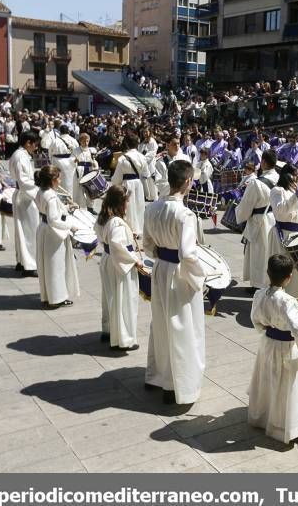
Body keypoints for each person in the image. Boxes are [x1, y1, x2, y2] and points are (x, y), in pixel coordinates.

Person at [143, 160, 207, 405]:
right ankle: (179, 384)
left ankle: (160, 376)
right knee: (182, 326)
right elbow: (188, 254)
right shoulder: (185, 214)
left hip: (160, 269)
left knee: (160, 322)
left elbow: (147, 244)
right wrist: (200, 278)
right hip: (180, 274)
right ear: (188, 181)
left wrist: (159, 255)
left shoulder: (153, 207)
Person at [248, 254, 298, 444]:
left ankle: (264, 418)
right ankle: (291, 429)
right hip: (286, 348)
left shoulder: (259, 294)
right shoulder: (288, 301)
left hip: (267, 344)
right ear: (290, 276)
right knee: (288, 387)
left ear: (268, 273)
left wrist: (265, 327)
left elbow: (255, 318)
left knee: (268, 380)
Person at [96, 184, 143, 351]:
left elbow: (105, 238)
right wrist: (134, 260)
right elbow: (117, 244)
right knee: (123, 300)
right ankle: (124, 338)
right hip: (119, 263)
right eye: (127, 201)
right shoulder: (116, 222)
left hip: (109, 259)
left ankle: (108, 330)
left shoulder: (103, 217)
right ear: (120, 203)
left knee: (110, 297)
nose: (129, 204)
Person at [268, 164, 298, 309]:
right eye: (294, 174)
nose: (297, 177)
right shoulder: (277, 190)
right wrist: (295, 197)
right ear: (286, 175)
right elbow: (280, 212)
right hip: (285, 234)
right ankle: (285, 300)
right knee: (285, 268)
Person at [35, 165, 80, 310]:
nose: (61, 180)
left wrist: (67, 208)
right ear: (53, 180)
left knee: (46, 265)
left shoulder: (41, 192)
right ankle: (56, 298)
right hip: (53, 234)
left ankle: (48, 295)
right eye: (59, 178)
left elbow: (49, 213)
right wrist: (70, 226)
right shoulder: (51, 196)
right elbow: (54, 219)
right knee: (56, 266)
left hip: (43, 229)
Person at [235, 150, 280, 291]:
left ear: (264, 162)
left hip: (259, 220)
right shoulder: (280, 178)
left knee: (259, 253)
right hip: (274, 219)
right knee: (271, 252)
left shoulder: (256, 183)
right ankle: (270, 281)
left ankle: (258, 285)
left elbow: (246, 205)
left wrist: (239, 214)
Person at [9, 130, 40, 278]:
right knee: (29, 232)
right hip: (25, 197)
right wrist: (39, 191)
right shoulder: (21, 157)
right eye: (35, 145)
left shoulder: (20, 154)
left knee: (22, 231)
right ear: (28, 143)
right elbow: (24, 181)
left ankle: (21, 260)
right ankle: (30, 264)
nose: (36, 148)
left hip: (23, 195)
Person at [111, 133, 149, 237]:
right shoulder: (142, 157)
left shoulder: (122, 158)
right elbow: (146, 174)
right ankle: (139, 229)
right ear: (137, 144)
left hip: (127, 183)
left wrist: (114, 183)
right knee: (139, 205)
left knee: (128, 207)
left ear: (127, 144)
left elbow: (117, 177)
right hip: (138, 183)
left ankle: (130, 229)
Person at [71, 132, 98, 212]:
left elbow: (94, 161)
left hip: (89, 170)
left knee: (90, 189)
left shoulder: (91, 150)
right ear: (80, 141)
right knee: (79, 189)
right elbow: (71, 160)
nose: (85, 143)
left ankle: (90, 207)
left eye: (87, 141)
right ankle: (78, 206)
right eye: (83, 141)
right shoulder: (76, 150)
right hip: (80, 171)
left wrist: (94, 164)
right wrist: (74, 160)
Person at [49, 125, 79, 193]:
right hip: (71, 162)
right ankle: (70, 196)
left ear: (60, 132)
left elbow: (50, 153)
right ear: (68, 131)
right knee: (70, 181)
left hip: (57, 162)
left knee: (59, 180)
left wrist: (52, 161)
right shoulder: (73, 140)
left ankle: (60, 196)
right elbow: (77, 152)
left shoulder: (55, 141)